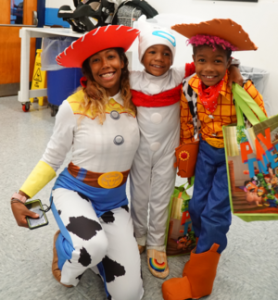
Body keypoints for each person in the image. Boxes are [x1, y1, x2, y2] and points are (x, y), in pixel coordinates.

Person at [10, 25, 144, 300]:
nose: (105, 65)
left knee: (129, 294)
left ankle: (91, 247)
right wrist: (20, 196)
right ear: (88, 69)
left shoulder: (137, 103)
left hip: (114, 202)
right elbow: (52, 158)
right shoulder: (74, 106)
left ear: (123, 61)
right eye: (96, 60)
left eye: (111, 57)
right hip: (75, 192)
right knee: (88, 248)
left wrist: (233, 69)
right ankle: (64, 250)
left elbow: (172, 79)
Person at [129, 16, 244, 279]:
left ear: (174, 57)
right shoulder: (131, 78)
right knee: (138, 194)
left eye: (166, 53)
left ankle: (157, 244)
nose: (159, 58)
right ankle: (138, 235)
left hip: (169, 151)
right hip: (139, 151)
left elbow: (216, 59)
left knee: (160, 197)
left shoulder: (180, 73)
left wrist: (235, 67)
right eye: (152, 51)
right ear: (141, 54)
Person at [162, 18, 267, 300]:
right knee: (197, 206)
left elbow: (260, 117)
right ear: (194, 60)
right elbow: (187, 120)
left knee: (216, 213)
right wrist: (186, 151)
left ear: (229, 62)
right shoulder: (190, 86)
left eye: (218, 61)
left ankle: (200, 282)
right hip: (206, 151)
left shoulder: (238, 87)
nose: (209, 68)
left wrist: (242, 82)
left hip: (235, 154)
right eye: (202, 60)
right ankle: (202, 246)